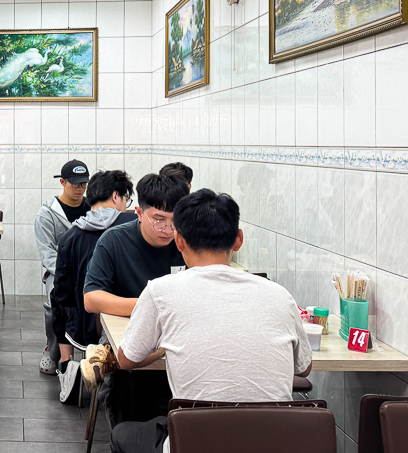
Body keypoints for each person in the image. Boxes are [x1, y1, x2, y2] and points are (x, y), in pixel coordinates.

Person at [99, 189, 313, 453]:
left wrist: (165, 346)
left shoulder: (160, 291)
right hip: (277, 442)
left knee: (123, 434)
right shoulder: (281, 295)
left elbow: (125, 360)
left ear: (178, 240)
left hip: (195, 440)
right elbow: (303, 368)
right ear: (238, 240)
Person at [81, 173, 189, 425]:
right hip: (126, 333)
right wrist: (148, 305)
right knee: (126, 381)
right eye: (159, 220)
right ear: (139, 213)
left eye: (176, 222)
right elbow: (91, 298)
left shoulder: (187, 243)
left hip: (177, 335)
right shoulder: (114, 241)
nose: (168, 230)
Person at [51, 169, 138, 403]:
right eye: (126, 199)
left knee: (55, 297)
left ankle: (66, 364)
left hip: (83, 329)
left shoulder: (70, 236)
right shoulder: (133, 227)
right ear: (116, 196)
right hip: (131, 323)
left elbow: (63, 293)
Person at [34, 159, 91, 375]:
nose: (79, 189)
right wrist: (70, 275)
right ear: (62, 182)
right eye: (75, 184)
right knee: (54, 299)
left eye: (83, 184)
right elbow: (48, 255)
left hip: (89, 273)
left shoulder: (92, 209)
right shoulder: (47, 214)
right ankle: (52, 348)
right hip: (59, 273)